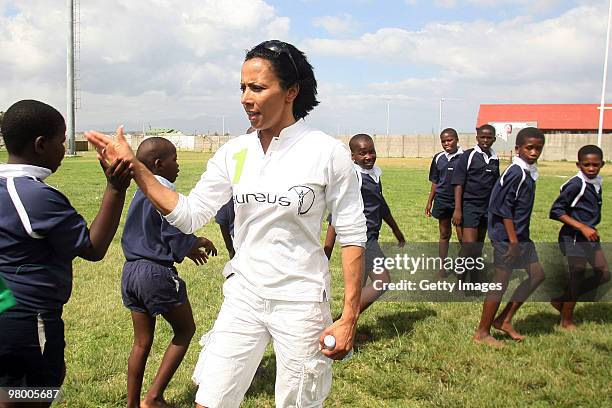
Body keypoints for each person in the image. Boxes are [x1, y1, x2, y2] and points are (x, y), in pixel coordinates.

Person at [86, 39, 366, 408]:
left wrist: (348, 317)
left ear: (291, 92)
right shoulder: (235, 152)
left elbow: (352, 234)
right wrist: (137, 169)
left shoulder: (326, 152)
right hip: (244, 295)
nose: (245, 98)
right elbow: (189, 214)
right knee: (211, 400)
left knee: (298, 403)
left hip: (301, 300)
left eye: (258, 88)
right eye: (242, 88)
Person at [0, 100, 130, 402]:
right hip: (30, 317)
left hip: (5, 306)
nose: (64, 148)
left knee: (10, 386)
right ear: (41, 145)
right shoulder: (35, 196)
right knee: (35, 392)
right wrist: (115, 187)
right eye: (62, 141)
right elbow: (93, 247)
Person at [121, 137, 217, 408]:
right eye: (175, 159)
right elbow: (173, 227)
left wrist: (187, 248)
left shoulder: (140, 193)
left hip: (130, 273)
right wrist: (198, 241)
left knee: (141, 342)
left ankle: (132, 404)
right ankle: (153, 398)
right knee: (185, 330)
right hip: (155, 274)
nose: (178, 165)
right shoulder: (163, 194)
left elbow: (155, 232)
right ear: (159, 164)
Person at [473, 127, 546, 346]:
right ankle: (482, 333)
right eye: (529, 148)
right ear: (518, 149)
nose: (534, 152)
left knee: (537, 275)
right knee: (500, 283)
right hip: (507, 239)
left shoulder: (528, 171)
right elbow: (501, 207)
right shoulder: (515, 172)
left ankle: (504, 319)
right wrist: (513, 241)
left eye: (538, 149)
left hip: (521, 236)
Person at [324, 134, 405, 318]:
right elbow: (336, 213)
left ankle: (348, 334)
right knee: (382, 281)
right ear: (353, 157)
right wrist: (326, 251)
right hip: (361, 238)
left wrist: (396, 229)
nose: (368, 156)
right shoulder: (354, 178)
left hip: (371, 237)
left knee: (357, 287)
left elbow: (381, 204)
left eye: (371, 151)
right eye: (362, 153)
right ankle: (341, 321)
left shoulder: (374, 174)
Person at [549, 145, 610, 330]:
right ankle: (566, 320)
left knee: (604, 274)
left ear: (602, 164)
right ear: (578, 164)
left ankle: (562, 300)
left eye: (595, 165)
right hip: (574, 236)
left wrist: (589, 228)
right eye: (586, 165)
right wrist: (582, 226)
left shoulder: (596, 181)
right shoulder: (577, 184)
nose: (591, 168)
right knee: (577, 276)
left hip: (589, 236)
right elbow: (555, 211)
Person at [451, 124, 499, 283]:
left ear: (494, 138)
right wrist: (458, 209)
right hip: (470, 206)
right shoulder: (468, 156)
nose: (485, 140)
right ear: (477, 138)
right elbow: (458, 183)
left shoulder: (494, 157)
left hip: (487, 208)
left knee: (478, 246)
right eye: (482, 137)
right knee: (468, 246)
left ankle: (475, 278)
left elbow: (495, 184)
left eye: (489, 137)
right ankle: (460, 280)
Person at [426, 128, 463, 276]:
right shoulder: (438, 158)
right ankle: (442, 267)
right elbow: (435, 181)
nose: (447, 143)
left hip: (459, 203)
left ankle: (463, 268)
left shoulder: (464, 157)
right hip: (442, 200)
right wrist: (430, 201)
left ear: (457, 139)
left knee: (463, 238)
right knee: (444, 234)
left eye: (450, 140)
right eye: (443, 141)